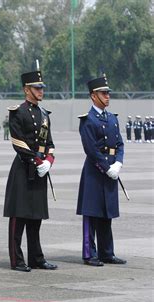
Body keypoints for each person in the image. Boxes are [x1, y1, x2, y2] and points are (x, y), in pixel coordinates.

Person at [3, 69, 57, 272]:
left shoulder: (44, 114)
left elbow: (49, 143)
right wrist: (36, 160)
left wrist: (49, 161)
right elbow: (18, 142)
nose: (41, 91)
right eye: (37, 87)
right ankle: (17, 259)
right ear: (27, 89)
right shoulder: (18, 112)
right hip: (23, 169)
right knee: (19, 217)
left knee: (36, 217)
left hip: (41, 170)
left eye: (42, 87)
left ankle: (37, 257)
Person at [77, 74, 126, 267]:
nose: (107, 96)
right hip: (95, 172)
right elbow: (91, 149)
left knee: (107, 213)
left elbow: (120, 144)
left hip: (111, 170)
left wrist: (118, 164)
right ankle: (90, 253)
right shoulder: (88, 120)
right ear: (93, 96)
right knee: (92, 213)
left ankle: (107, 252)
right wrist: (106, 168)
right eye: (103, 93)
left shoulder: (112, 119)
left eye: (108, 93)